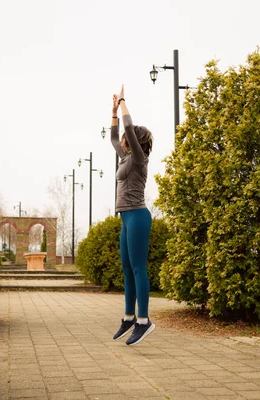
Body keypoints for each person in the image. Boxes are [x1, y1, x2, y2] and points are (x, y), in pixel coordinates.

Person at [110, 85, 155, 346]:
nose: (125, 142)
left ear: (136, 141)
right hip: (126, 218)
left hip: (138, 216)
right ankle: (129, 318)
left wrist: (125, 101)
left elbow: (127, 130)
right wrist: (113, 112)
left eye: (131, 138)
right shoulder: (125, 157)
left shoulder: (139, 159)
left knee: (138, 268)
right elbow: (114, 138)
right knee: (127, 268)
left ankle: (143, 321)